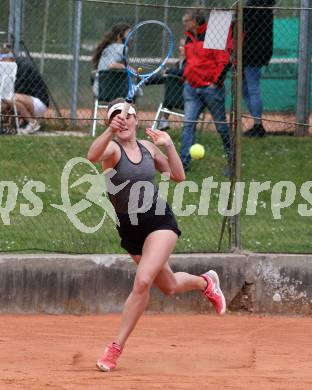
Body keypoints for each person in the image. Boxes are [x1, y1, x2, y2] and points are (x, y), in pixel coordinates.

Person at [87, 98, 226, 372]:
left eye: (126, 116)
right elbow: (92, 156)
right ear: (110, 122)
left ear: (136, 121)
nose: (122, 120)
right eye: (116, 116)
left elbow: (178, 176)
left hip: (158, 219)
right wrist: (108, 132)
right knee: (170, 286)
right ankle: (205, 282)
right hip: (129, 227)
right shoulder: (112, 149)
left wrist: (169, 145)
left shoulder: (148, 147)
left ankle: (114, 349)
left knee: (142, 282)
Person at [180, 9, 232, 173]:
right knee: (188, 125)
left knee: (222, 127)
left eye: (187, 20)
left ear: (196, 21)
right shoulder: (189, 36)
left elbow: (224, 61)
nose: (184, 23)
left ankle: (233, 162)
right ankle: (183, 164)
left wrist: (215, 83)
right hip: (191, 88)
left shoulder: (213, 33)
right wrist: (187, 76)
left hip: (210, 89)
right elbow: (189, 61)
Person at [243, 0, 276, 137]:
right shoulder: (263, 7)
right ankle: (257, 123)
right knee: (245, 89)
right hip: (255, 52)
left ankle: (258, 125)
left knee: (252, 88)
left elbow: (246, 24)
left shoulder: (256, 7)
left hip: (252, 53)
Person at [0, 46, 49, 135]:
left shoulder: (21, 66)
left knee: (8, 97)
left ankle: (32, 122)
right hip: (28, 101)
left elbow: (19, 90)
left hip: (39, 103)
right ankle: (8, 126)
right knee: (6, 98)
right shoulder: (12, 67)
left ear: (9, 58)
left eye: (1, 60)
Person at [91, 23, 131, 96]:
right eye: (128, 34)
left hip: (99, 90)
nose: (130, 37)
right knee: (134, 89)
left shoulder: (106, 48)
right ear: (119, 36)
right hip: (114, 91)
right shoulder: (122, 47)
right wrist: (129, 69)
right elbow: (111, 65)